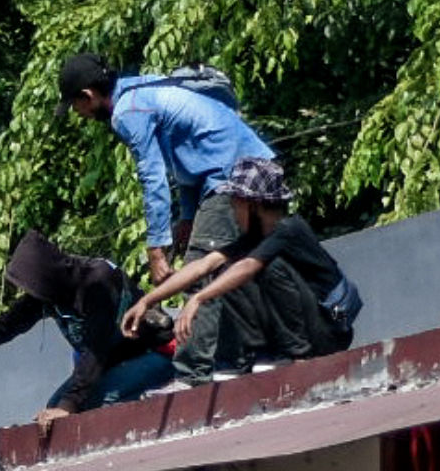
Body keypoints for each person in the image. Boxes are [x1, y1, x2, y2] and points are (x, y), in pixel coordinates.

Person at [117, 155, 351, 387]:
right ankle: (262, 353)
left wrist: (200, 297)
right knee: (225, 268)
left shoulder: (288, 229)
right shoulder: (254, 238)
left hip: (329, 328)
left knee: (255, 267)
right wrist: (147, 301)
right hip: (309, 324)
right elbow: (204, 265)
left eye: (234, 202)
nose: (232, 209)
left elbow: (248, 267)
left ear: (252, 204)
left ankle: (298, 357)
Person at [57, 53, 275, 287]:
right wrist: (188, 217)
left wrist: (156, 248)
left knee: (197, 278)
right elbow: (190, 160)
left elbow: (153, 178)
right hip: (259, 166)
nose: (78, 113)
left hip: (234, 177)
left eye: (74, 105)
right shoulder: (141, 88)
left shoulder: (127, 112)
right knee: (245, 272)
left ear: (87, 96)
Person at [0, 229, 155, 420]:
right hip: (112, 363)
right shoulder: (49, 293)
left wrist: (69, 406)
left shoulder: (97, 282)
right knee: (52, 408)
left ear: (46, 277)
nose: (30, 294)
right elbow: (6, 325)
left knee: (85, 405)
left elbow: (96, 350)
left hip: (151, 354)